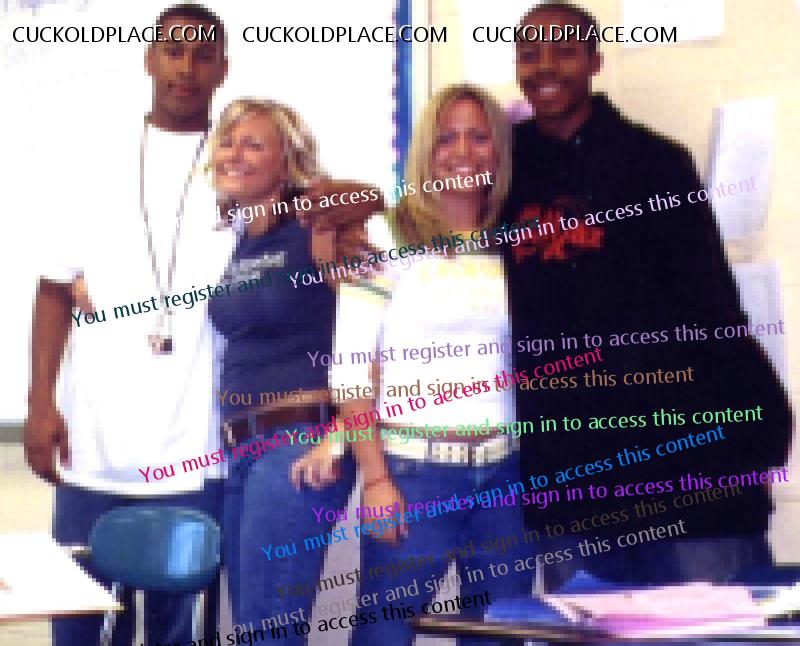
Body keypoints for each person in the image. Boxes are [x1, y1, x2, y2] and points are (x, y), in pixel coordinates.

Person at [22, 4, 380, 644]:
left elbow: (350, 199)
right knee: (77, 626)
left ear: (222, 68)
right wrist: (39, 404)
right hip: (92, 450)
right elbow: (52, 288)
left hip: (196, 457)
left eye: (202, 55)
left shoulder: (242, 177)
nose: (185, 67)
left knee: (179, 633)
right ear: (149, 59)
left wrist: (354, 205)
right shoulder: (95, 158)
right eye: (173, 50)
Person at [505, 0, 792, 589]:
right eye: (530, 54)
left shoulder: (655, 163)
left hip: (686, 469)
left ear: (595, 62)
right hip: (571, 475)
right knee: (587, 624)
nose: (545, 66)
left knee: (710, 625)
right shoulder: (505, 172)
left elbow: (713, 305)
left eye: (564, 51)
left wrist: (751, 424)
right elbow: (430, 218)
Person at [335, 84, 531, 646]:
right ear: (426, 150)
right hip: (413, 475)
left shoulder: (513, 242)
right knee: (384, 638)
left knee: (503, 636)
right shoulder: (385, 234)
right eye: (446, 138)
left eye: (478, 136)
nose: (462, 152)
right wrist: (376, 480)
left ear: (498, 150)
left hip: (505, 476)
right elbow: (350, 370)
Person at [207, 98, 359, 640]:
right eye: (228, 141)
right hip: (239, 448)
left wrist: (339, 436)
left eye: (254, 144)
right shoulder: (238, 240)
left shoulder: (317, 224)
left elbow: (374, 332)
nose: (235, 154)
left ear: (288, 160)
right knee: (253, 625)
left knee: (268, 631)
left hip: (298, 442)